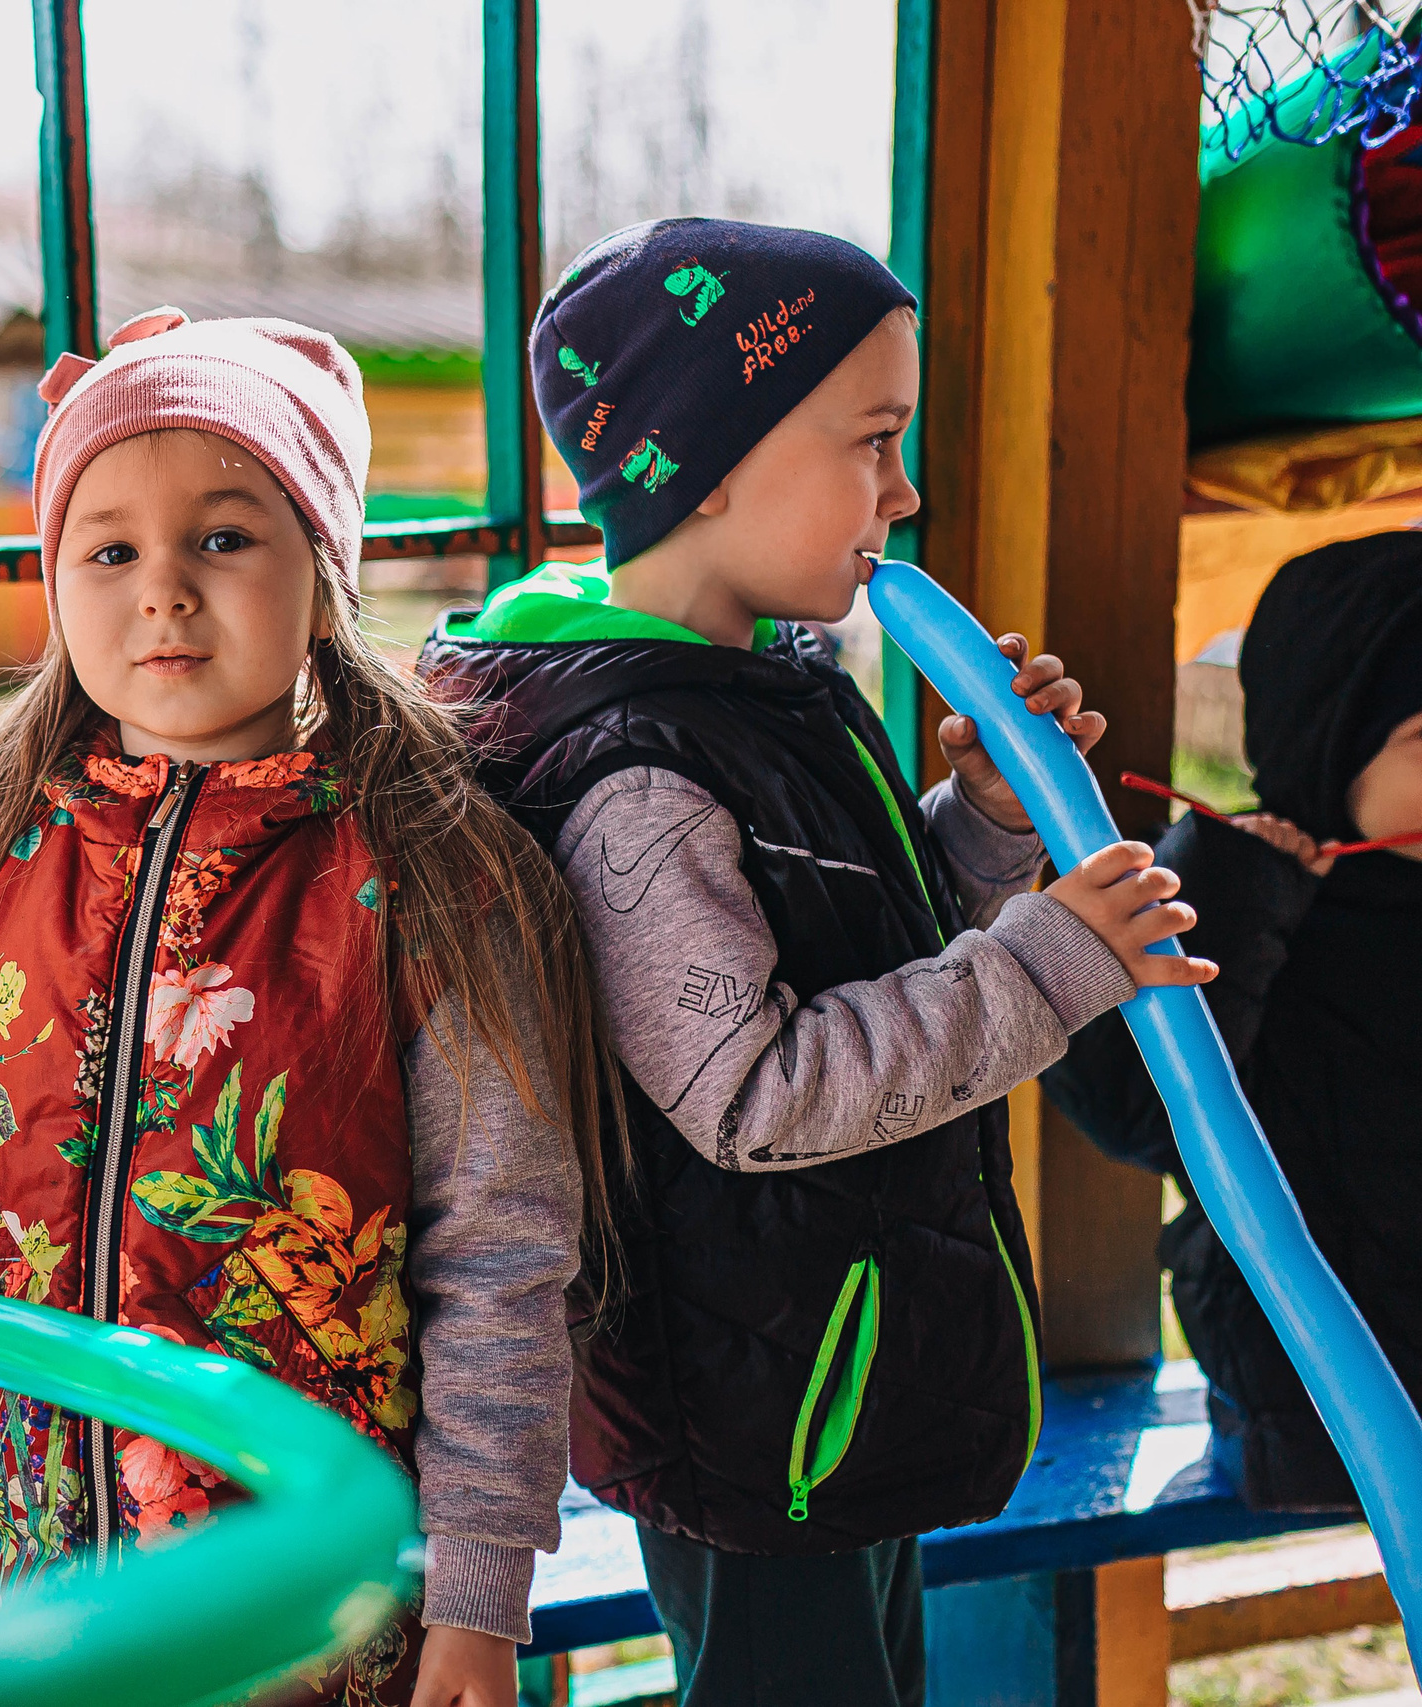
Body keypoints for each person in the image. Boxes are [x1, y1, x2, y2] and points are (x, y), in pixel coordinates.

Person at [0, 308, 620, 1707]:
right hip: (1, 1581)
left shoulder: (433, 873)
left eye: (226, 535)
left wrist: (481, 1598)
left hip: (302, 1607)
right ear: (57, 580)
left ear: (324, 575)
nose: (165, 590)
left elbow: (500, 1266)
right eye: (112, 547)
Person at [418, 219, 1210, 1707]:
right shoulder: (637, 772)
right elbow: (757, 1084)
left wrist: (975, 824)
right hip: (762, 1400)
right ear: (704, 465)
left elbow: (849, 935)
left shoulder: (759, 686)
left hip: (834, 1358)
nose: (904, 493)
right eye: (874, 439)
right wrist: (1047, 963)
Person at [1044, 534, 1422, 1512]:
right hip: (1307, 1398)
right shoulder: (1236, 899)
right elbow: (1128, 1105)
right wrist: (1233, 886)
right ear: (1326, 737)